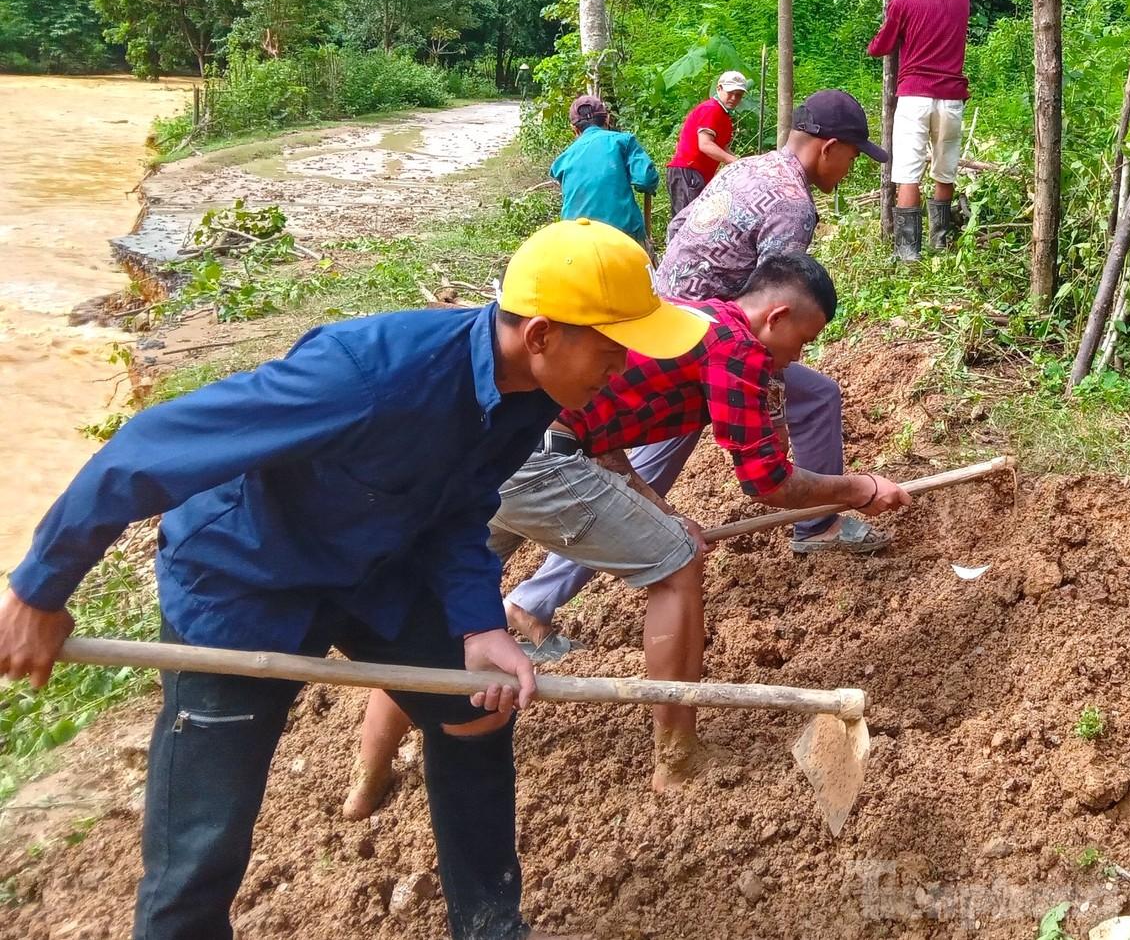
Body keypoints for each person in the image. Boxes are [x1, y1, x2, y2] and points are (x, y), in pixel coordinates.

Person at [0, 218, 707, 940]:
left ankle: (491, 924)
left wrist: (479, 623)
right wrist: (38, 590)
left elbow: (462, 507)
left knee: (477, 711)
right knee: (203, 841)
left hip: (374, 573)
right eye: (612, 345)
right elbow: (148, 448)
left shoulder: (531, 397)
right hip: (247, 580)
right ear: (542, 334)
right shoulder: (365, 375)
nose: (623, 363)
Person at [343, 252, 907, 807]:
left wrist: (653, 507)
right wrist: (859, 488)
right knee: (679, 563)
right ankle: (678, 758)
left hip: (495, 453)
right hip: (541, 463)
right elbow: (769, 481)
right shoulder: (740, 351)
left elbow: (600, 426)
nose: (797, 356)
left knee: (435, 610)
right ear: (777, 318)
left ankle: (370, 774)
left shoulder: (692, 318)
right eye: (802, 342)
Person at [513, 89, 891, 639]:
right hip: (698, 352)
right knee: (642, 475)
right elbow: (774, 324)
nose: (850, 169)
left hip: (670, 321)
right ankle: (533, 600)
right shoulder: (793, 206)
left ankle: (817, 520)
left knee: (812, 400)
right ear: (829, 148)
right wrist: (766, 420)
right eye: (853, 157)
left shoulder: (750, 169)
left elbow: (679, 224)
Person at [868, 0, 971, 261]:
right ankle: (939, 242)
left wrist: (899, 2)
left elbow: (881, 46)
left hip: (914, 95)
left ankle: (908, 254)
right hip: (951, 96)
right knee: (946, 169)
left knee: (908, 173)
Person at [550, 93, 662, 246]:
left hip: (575, 239)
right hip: (624, 233)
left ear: (574, 129)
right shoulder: (624, 141)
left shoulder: (561, 162)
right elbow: (646, 179)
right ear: (608, 119)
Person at [665, 70, 749, 218]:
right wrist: (734, 161)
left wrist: (743, 163)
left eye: (738, 95)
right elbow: (705, 145)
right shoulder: (711, 109)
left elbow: (722, 147)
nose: (734, 98)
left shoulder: (724, 116)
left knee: (697, 221)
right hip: (688, 171)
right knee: (687, 222)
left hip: (699, 174)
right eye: (730, 93)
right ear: (719, 88)